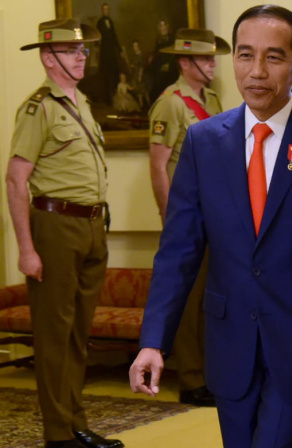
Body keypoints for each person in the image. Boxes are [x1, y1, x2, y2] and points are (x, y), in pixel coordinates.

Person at [129, 5, 292, 448]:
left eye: (273, 57)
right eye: (245, 55)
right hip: (231, 347)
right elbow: (179, 251)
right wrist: (153, 341)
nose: (256, 71)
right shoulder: (204, 142)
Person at [6, 19, 123, 448]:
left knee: (78, 333)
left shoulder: (82, 102)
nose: (82, 57)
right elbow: (16, 180)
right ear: (48, 57)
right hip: (55, 226)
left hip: (91, 225)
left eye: (84, 51)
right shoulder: (38, 108)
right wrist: (26, 249)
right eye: (72, 51)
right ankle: (58, 434)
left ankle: (76, 423)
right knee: (55, 333)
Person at [148, 27, 230, 407]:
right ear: (185, 62)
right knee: (187, 298)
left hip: (215, 215)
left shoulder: (212, 99)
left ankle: (211, 373)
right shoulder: (170, 104)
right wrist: (171, 220)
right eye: (205, 59)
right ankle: (192, 379)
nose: (213, 65)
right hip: (187, 215)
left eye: (213, 58)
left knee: (209, 299)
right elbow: (158, 166)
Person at [96, 3, 124, 104]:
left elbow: (114, 36)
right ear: (102, 11)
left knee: (115, 73)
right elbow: (97, 36)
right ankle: (107, 99)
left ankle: (117, 96)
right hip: (104, 53)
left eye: (108, 9)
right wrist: (96, 46)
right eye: (105, 9)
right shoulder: (99, 22)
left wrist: (120, 50)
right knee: (106, 75)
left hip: (112, 52)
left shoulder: (111, 22)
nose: (106, 11)